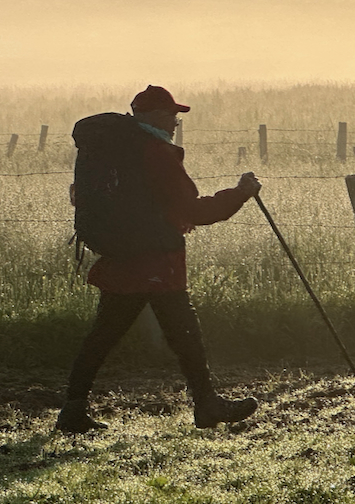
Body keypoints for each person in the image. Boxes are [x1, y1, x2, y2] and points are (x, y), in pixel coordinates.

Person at [56, 85, 262, 433]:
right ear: (153, 116)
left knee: (104, 336)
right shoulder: (155, 152)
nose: (175, 123)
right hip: (155, 261)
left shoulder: (112, 148)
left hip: (120, 257)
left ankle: (73, 410)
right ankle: (206, 405)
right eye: (172, 115)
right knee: (185, 334)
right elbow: (193, 210)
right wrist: (239, 194)